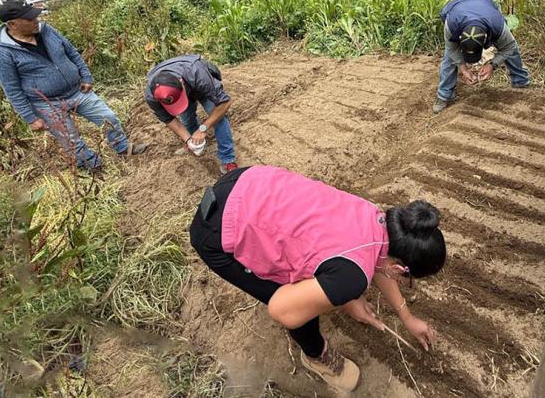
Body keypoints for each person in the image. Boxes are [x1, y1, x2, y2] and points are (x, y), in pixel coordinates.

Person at [189, 165, 446, 392]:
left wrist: (407, 318)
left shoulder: (374, 215)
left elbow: (379, 261)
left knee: (318, 287)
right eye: (407, 279)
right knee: (299, 305)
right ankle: (315, 355)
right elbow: (281, 310)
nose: (402, 282)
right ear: (401, 270)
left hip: (242, 182)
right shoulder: (353, 278)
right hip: (215, 231)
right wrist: (343, 300)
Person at [0, 0, 148, 170]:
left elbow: (71, 52)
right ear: (13, 24)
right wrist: (31, 118)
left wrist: (86, 76)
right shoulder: (2, 54)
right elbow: (12, 90)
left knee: (108, 118)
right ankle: (93, 167)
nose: (36, 20)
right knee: (71, 140)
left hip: (77, 90)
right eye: (29, 19)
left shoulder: (47, 31)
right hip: (46, 103)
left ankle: (123, 148)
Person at [433, 0, 531, 114]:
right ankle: (444, 96)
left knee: (510, 48)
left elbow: (509, 47)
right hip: (456, 9)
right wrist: (463, 69)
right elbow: (452, 49)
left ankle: (520, 82)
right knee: (450, 57)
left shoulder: (497, 25)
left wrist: (492, 65)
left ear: (485, 40)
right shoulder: (451, 25)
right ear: (459, 38)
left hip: (485, 8)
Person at [145, 55, 238, 174]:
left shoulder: (197, 73)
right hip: (183, 86)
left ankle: (228, 159)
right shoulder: (151, 97)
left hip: (200, 86)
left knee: (217, 118)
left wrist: (203, 128)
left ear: (181, 83)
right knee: (187, 120)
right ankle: (195, 143)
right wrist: (188, 139)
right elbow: (168, 120)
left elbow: (225, 102)